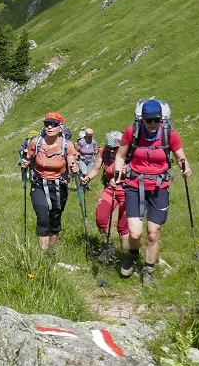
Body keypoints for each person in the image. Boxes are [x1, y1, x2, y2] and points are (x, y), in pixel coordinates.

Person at [113, 99, 191, 284]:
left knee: (153, 233)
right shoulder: (133, 131)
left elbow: (181, 157)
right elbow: (120, 155)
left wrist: (186, 168)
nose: (153, 124)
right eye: (149, 121)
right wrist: (117, 174)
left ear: (161, 119)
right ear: (142, 120)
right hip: (134, 185)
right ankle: (133, 255)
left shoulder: (169, 134)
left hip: (159, 188)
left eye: (157, 120)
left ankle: (149, 268)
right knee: (134, 233)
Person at [20, 112, 80, 252]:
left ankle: (50, 251)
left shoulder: (67, 145)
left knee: (54, 221)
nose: (50, 127)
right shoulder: (36, 142)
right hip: (39, 184)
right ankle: (42, 255)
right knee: (43, 218)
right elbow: (28, 158)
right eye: (47, 124)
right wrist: (25, 163)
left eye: (54, 124)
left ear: (60, 127)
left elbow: (71, 166)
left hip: (59, 186)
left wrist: (74, 168)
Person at [86, 131, 128, 262]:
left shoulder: (131, 153)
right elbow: (96, 169)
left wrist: (130, 171)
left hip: (128, 191)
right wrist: (87, 178)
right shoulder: (103, 152)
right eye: (110, 148)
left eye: (115, 149)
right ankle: (108, 246)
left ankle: (125, 257)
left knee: (123, 226)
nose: (112, 151)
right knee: (101, 218)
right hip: (110, 189)